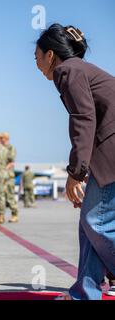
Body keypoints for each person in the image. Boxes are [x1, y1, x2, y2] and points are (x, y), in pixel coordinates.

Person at [36, 24, 115, 300]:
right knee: (88, 227)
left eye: (37, 55)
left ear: (50, 55)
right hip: (106, 156)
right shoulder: (80, 69)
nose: (35, 62)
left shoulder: (68, 70)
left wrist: (76, 172)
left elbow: (84, 120)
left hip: (110, 155)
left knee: (96, 222)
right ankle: (85, 292)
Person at [1, 132, 19, 223]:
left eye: (2, 138)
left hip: (8, 176)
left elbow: (11, 162)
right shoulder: (0, 148)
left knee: (10, 196)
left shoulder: (10, 148)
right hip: (0, 176)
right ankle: (1, 215)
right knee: (1, 197)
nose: (1, 139)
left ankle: (14, 214)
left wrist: (3, 169)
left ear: (6, 138)